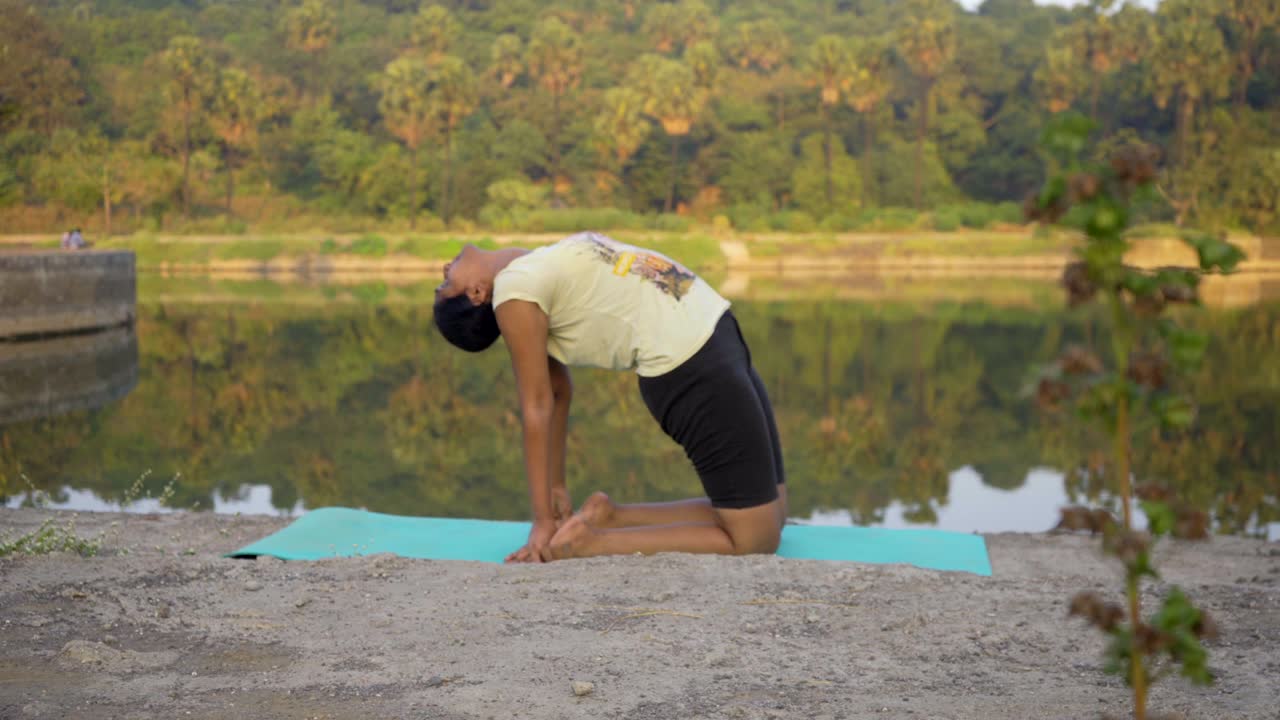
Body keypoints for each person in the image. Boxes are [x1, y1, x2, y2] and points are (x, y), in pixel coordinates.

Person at [433, 231, 787, 563]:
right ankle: (592, 543)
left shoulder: (534, 268)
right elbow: (538, 405)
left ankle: (611, 517)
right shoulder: (513, 292)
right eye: (446, 284)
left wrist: (557, 485)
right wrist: (543, 521)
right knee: (755, 541)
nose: (445, 269)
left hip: (715, 332)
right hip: (689, 361)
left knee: (776, 510)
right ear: (477, 294)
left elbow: (559, 390)